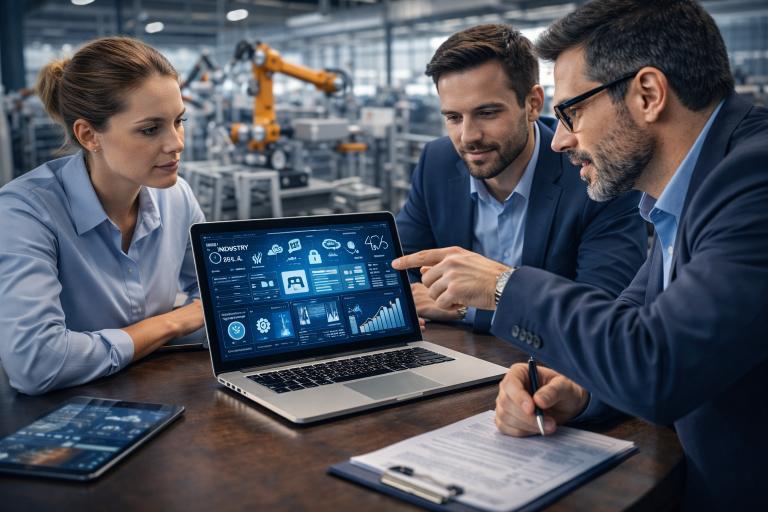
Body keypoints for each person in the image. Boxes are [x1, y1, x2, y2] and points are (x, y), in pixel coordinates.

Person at [392, 0, 768, 508]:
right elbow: (634, 322)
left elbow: (658, 367)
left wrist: (502, 287)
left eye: (572, 112)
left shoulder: (753, 180)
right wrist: (580, 390)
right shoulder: (680, 194)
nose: (561, 139)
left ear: (648, 94)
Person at [396, 24, 646, 333]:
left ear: (532, 104)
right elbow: (399, 265)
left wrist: (471, 308)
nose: (468, 136)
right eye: (453, 117)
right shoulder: (438, 161)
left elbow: (604, 311)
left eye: (487, 113)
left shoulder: (595, 174)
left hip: (549, 369)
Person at [0, 37, 206, 395]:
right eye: (150, 129)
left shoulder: (177, 196)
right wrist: (172, 323)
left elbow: (218, 300)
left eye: (179, 121)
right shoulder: (26, 211)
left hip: (160, 395)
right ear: (89, 135)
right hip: (61, 415)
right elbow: (36, 363)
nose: (176, 143)